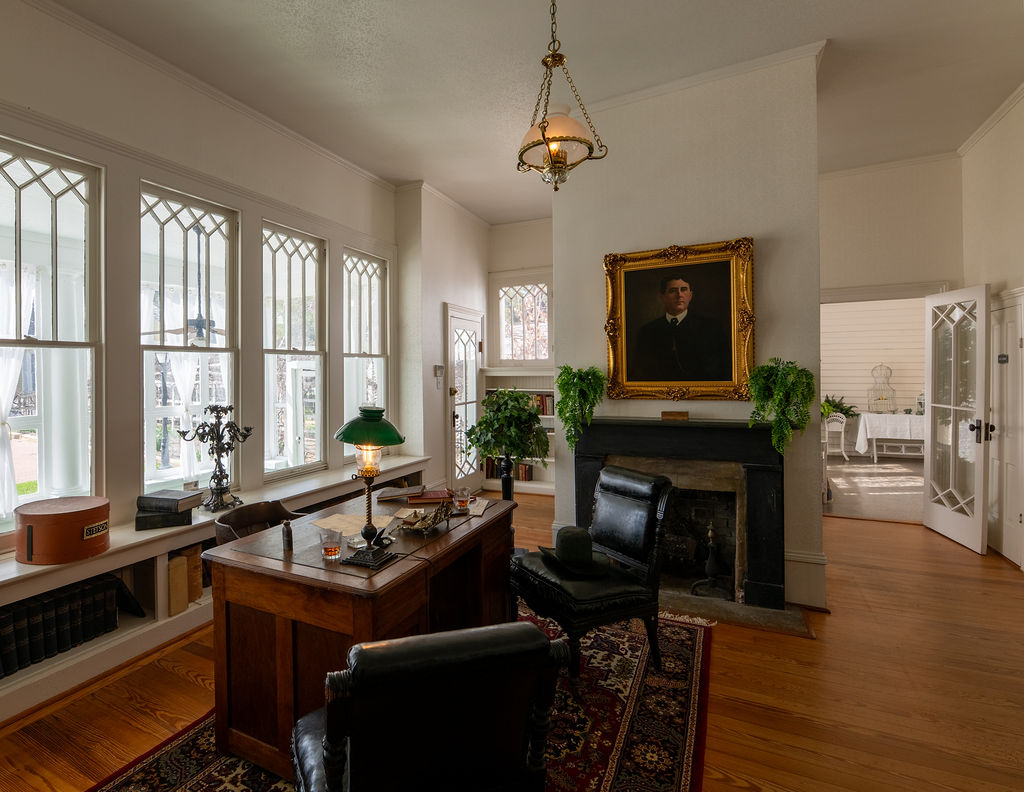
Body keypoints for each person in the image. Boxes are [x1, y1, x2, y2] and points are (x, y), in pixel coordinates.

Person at [628, 274, 731, 382]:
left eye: (684, 290)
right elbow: (639, 373)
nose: (679, 295)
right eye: (672, 291)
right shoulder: (647, 332)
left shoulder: (711, 327)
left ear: (690, 295)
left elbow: (723, 369)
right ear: (662, 297)